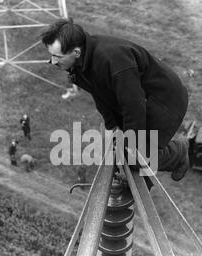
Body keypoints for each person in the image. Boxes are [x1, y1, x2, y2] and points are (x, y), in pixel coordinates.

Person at [41, 18, 190, 188]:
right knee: (121, 147)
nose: (52, 61)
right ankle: (142, 175)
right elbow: (99, 93)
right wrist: (112, 126)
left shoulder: (112, 61)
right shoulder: (81, 64)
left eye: (57, 56)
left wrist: (132, 146)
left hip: (165, 101)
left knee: (136, 155)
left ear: (76, 52)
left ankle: (178, 153)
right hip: (139, 101)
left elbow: (134, 106)